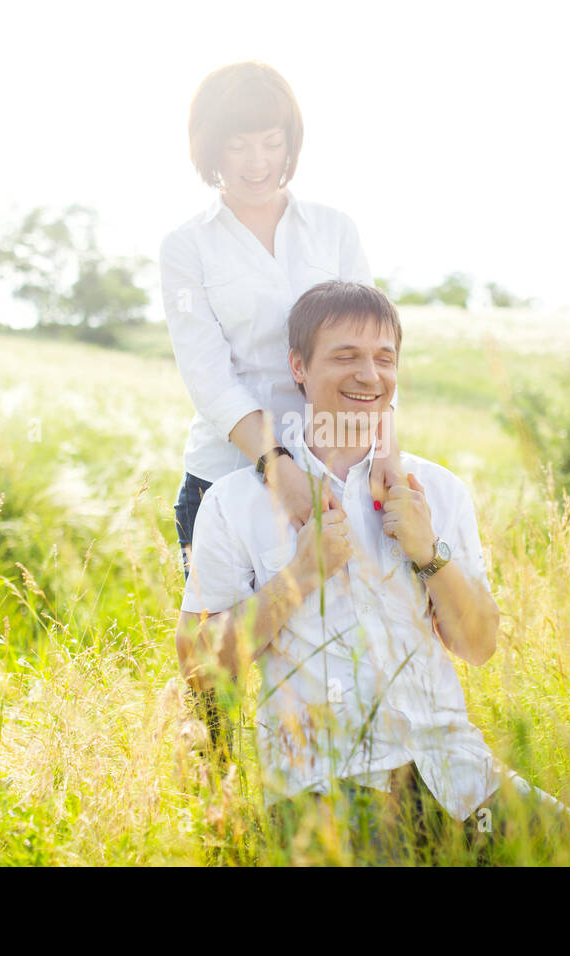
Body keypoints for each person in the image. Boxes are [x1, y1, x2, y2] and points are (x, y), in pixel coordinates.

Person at [175, 281, 570, 862]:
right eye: (345, 356)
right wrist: (301, 575)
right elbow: (197, 662)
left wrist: (429, 552)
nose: (369, 375)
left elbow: (480, 644)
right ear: (299, 366)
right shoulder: (233, 502)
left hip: (456, 771)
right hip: (328, 785)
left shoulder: (436, 491)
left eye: (384, 359)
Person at [160, 62, 403, 750]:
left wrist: (383, 455)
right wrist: (275, 462)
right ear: (209, 146)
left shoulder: (332, 229)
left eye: (270, 140)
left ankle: (347, 791)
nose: (256, 161)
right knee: (220, 666)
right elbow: (207, 376)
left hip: (338, 462)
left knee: (335, 646)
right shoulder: (188, 246)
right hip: (229, 472)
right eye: (237, 143)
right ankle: (220, 814)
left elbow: (370, 345)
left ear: (289, 140)